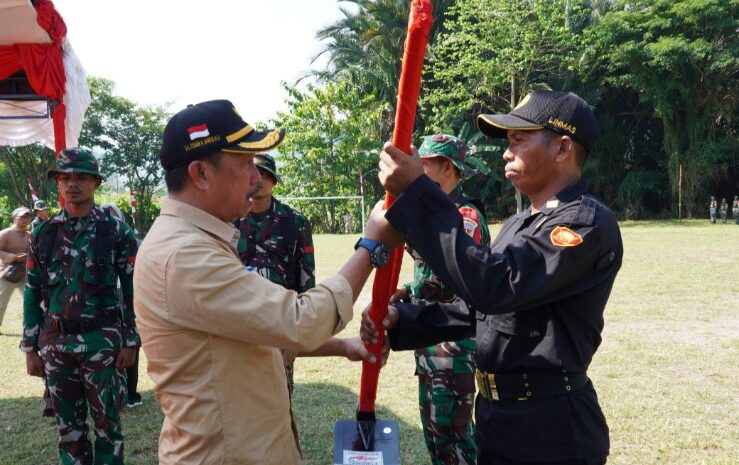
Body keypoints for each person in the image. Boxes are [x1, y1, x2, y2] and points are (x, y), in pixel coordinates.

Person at [363, 90, 623, 465]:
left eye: (519, 140)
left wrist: (417, 193)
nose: (506, 151)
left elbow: (497, 286)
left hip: (551, 429)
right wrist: (402, 320)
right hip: (500, 419)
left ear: (563, 148)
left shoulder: (582, 222)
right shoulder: (522, 223)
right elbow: (481, 311)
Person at [133, 99, 395, 465]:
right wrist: (371, 246)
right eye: (243, 162)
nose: (256, 177)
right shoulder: (185, 255)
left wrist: (343, 346)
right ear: (201, 174)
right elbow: (300, 321)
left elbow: (250, 338)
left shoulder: (195, 241)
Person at [234, 153, 374, 453]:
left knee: (278, 403)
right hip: (241, 329)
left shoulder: (293, 222)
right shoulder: (230, 220)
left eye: (264, 174)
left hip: (283, 324)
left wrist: (305, 317)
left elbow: (305, 281)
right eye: (252, 172)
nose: (257, 180)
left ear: (273, 180)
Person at [20, 148, 139, 465]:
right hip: (57, 345)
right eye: (65, 178)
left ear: (95, 183)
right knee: (68, 432)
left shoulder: (115, 231)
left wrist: (130, 341)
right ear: (57, 183)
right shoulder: (43, 233)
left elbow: (131, 289)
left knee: (108, 429)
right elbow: (32, 291)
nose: (72, 184)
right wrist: (30, 347)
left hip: (102, 342)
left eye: (81, 178)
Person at [390, 134, 490, 465]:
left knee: (454, 439)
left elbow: (463, 277)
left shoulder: (465, 217)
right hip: (430, 345)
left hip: (454, 346)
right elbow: (432, 271)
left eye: (425, 163)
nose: (418, 168)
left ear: (446, 167)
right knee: (434, 437)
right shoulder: (437, 214)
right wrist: (408, 288)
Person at [101, 203, 144, 409]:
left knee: (131, 347)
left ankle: (132, 393)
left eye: (114, 216)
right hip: (105, 309)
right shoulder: (93, 242)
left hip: (129, 303)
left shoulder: (135, 242)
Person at [0, 207, 32, 334]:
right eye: (22, 217)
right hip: (6, 273)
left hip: (24, 273)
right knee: (1, 303)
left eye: (27, 217)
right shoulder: (5, 234)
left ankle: (30, 329)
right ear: (14, 218)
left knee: (29, 302)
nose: (24, 220)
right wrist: (13, 257)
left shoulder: (30, 235)